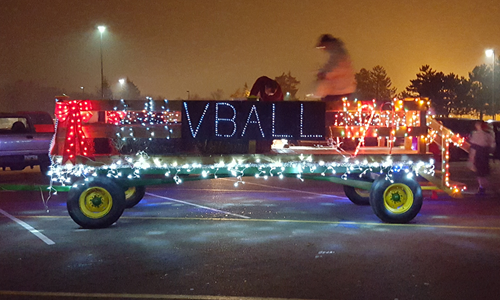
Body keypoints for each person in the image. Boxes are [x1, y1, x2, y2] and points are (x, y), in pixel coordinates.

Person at [314, 34, 356, 102]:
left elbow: (337, 69)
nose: (323, 49)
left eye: (323, 46)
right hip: (340, 90)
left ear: (327, 44)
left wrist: (324, 74)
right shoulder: (336, 53)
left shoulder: (338, 54)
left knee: (329, 109)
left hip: (340, 91)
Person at [468, 120, 496, 196]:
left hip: (479, 154)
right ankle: (483, 187)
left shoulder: (476, 134)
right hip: (485, 154)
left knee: (480, 173)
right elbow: (492, 145)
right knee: (483, 172)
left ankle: (483, 187)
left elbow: (473, 146)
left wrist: (471, 158)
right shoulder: (489, 134)